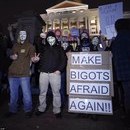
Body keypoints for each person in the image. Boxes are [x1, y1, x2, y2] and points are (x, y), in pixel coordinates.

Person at [6, 29, 39, 118]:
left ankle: (28, 110)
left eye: (24, 34)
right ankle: (12, 110)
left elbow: (32, 57)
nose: (22, 35)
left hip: (24, 74)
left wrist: (34, 60)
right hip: (12, 74)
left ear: (27, 35)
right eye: (21, 34)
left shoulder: (30, 46)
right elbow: (12, 55)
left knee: (26, 93)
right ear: (19, 36)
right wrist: (11, 56)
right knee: (13, 94)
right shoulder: (15, 45)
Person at [35, 31, 67, 118]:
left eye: (52, 38)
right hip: (43, 73)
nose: (50, 40)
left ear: (55, 38)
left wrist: (59, 70)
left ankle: (57, 110)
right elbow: (38, 42)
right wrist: (42, 37)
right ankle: (41, 108)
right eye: (48, 38)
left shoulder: (59, 48)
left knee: (56, 92)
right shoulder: (43, 48)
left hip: (55, 74)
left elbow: (64, 60)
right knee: (42, 92)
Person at [111, 18, 130, 126]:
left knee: (126, 95)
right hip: (127, 71)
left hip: (121, 73)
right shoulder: (127, 37)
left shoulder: (117, 39)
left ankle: (126, 115)